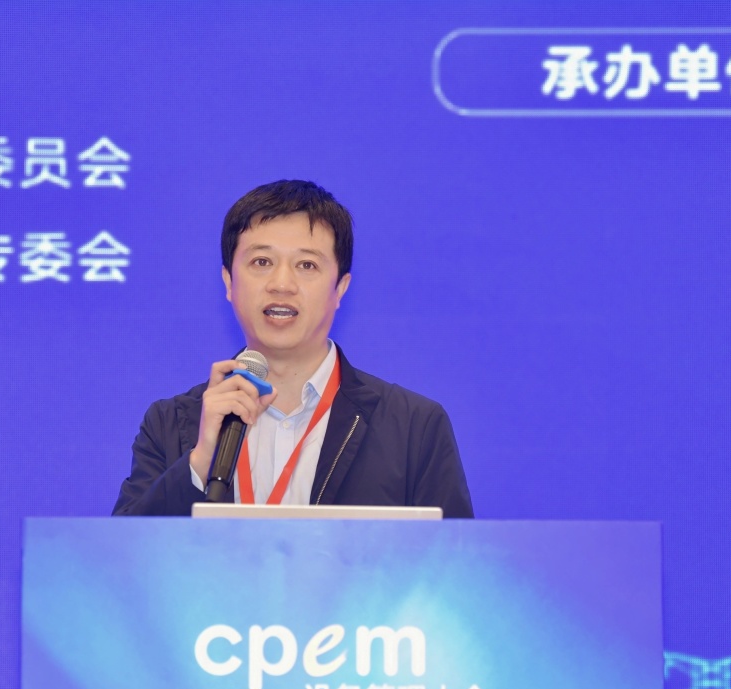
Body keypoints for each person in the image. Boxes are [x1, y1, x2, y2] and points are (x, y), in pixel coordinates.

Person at [112, 179, 474, 518]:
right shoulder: (170, 424)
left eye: (306, 265)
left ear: (340, 288)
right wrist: (200, 461)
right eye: (262, 262)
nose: (282, 284)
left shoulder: (414, 427)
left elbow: (453, 559)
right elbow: (125, 554)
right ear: (228, 283)